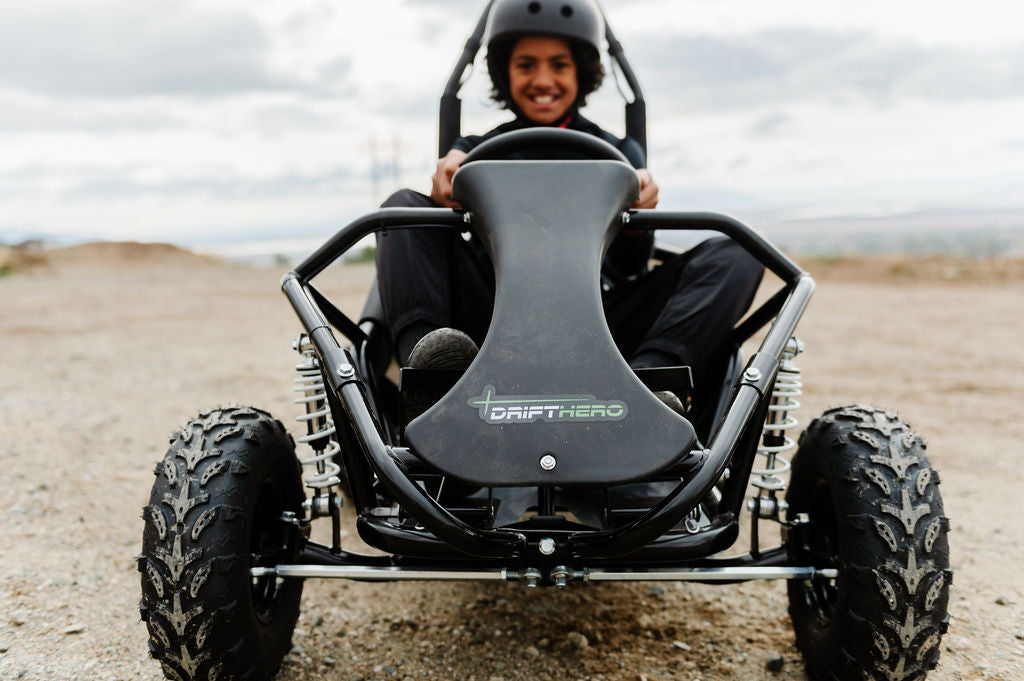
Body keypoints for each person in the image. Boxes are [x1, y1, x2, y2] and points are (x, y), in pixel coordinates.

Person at [376, 0, 762, 423]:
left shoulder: (619, 154)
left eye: (559, 65)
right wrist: (447, 182)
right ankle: (431, 382)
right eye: (526, 65)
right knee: (402, 209)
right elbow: (446, 183)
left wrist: (638, 215)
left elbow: (631, 266)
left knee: (739, 248)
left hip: (600, 319)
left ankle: (651, 386)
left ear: (581, 72)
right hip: (491, 315)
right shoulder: (474, 150)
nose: (543, 79)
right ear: (506, 73)